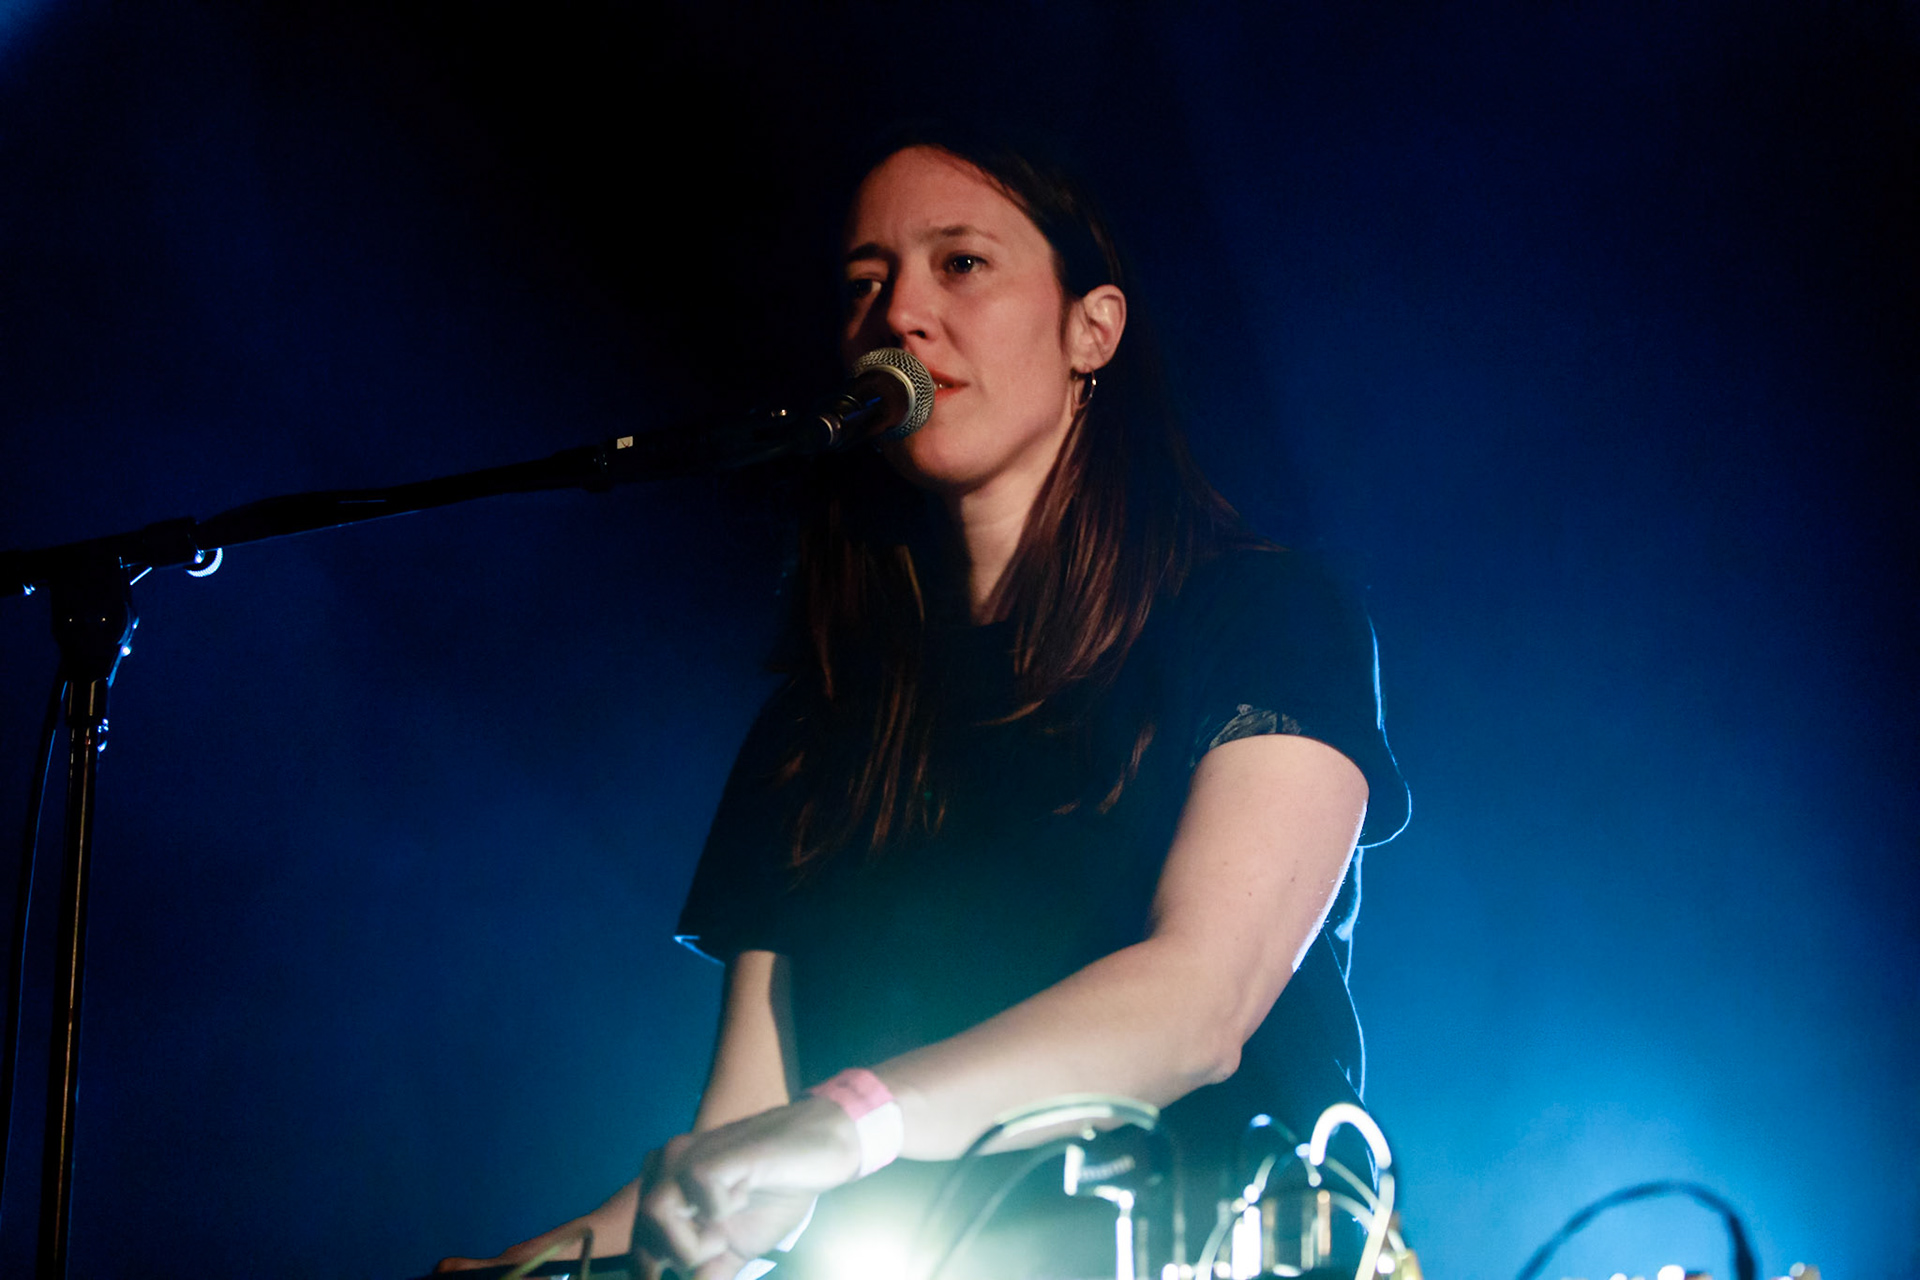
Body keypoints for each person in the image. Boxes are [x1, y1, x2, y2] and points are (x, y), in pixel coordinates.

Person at [437, 129, 1407, 1280]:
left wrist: (852, 1121)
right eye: (866, 284)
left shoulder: (1265, 611)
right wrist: (540, 1259)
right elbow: (742, 1146)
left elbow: (1198, 1003)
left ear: (1093, 326)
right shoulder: (822, 716)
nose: (900, 313)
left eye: (961, 264)